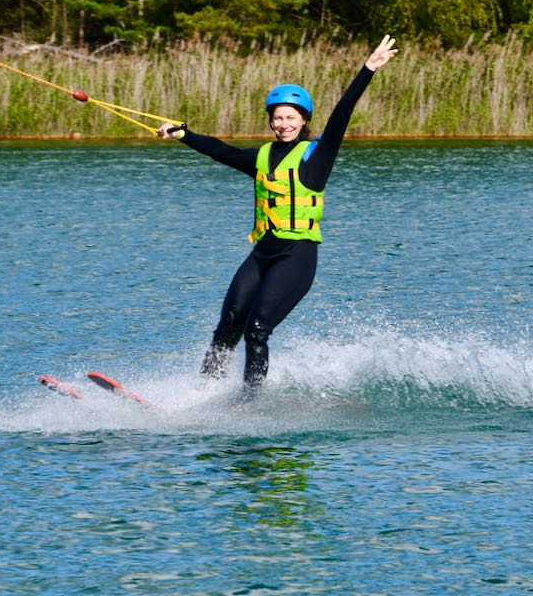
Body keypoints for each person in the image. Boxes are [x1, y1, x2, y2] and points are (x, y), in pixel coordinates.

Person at [156, 34, 399, 392]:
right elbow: (220, 151)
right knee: (229, 325)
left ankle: (250, 403)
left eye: (291, 117)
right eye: (277, 118)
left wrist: (368, 69)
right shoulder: (262, 157)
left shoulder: (316, 154)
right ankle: (202, 392)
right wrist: (183, 134)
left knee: (256, 331)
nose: (283, 123)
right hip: (262, 253)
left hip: (297, 255)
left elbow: (342, 114)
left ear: (303, 120)